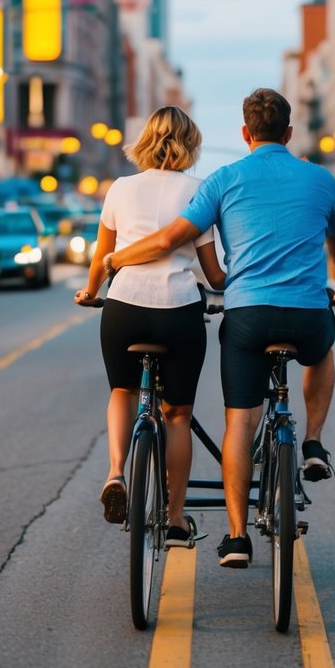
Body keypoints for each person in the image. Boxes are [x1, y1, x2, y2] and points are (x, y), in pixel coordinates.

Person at [102, 88, 335, 569]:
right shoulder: (321, 179)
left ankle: (238, 536)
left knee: (238, 422)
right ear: (288, 133)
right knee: (322, 348)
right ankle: (311, 442)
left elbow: (170, 238)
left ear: (245, 134)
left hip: (246, 315)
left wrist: (115, 260)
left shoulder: (224, 179)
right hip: (306, 311)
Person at [74, 107, 225, 546]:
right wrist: (232, 285)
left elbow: (103, 256)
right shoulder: (199, 191)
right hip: (178, 308)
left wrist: (88, 292)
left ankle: (117, 472)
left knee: (122, 392)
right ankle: (176, 518)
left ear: (144, 140)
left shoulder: (120, 188)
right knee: (177, 415)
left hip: (124, 306)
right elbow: (213, 275)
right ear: (191, 143)